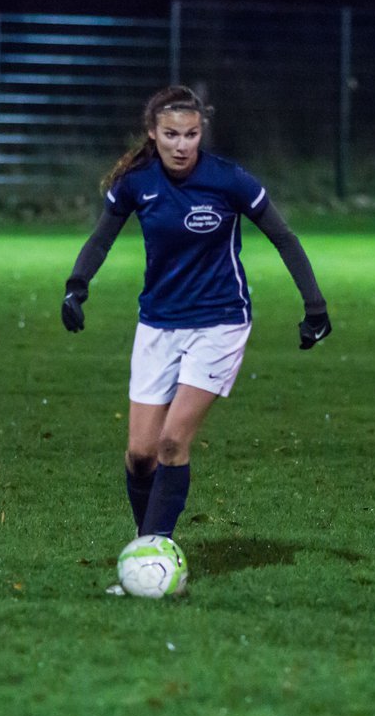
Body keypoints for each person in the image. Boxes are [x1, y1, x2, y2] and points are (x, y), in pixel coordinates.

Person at [60, 85, 331, 540]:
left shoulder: (229, 180)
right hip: (158, 324)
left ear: (201, 132)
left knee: (171, 442)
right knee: (140, 455)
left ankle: (153, 551)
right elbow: (102, 238)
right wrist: (75, 287)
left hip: (220, 322)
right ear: (153, 133)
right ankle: (150, 551)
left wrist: (315, 306)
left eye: (191, 134)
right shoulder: (138, 183)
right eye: (171, 134)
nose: (182, 145)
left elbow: (284, 237)